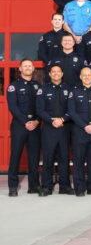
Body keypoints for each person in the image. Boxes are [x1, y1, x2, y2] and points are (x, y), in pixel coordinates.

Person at [36, 64, 72, 196]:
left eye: (58, 71)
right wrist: (52, 120)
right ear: (50, 74)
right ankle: (46, 186)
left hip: (64, 127)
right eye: (53, 72)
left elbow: (72, 109)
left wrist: (62, 119)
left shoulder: (69, 89)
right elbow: (40, 110)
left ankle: (65, 186)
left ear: (62, 74)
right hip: (49, 128)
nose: (56, 73)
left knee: (64, 158)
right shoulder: (43, 89)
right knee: (48, 158)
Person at [7, 59, 41, 197]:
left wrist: (37, 121)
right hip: (19, 126)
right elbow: (13, 107)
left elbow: (42, 106)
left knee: (34, 157)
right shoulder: (13, 86)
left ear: (33, 69)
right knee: (15, 156)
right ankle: (12, 186)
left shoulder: (38, 86)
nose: (27, 68)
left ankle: (34, 186)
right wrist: (26, 122)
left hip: (35, 125)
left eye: (29, 66)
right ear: (20, 69)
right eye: (25, 66)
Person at [68, 67, 91, 196]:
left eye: (89, 75)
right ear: (80, 77)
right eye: (84, 75)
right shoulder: (74, 92)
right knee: (78, 160)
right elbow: (72, 112)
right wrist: (84, 126)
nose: (87, 77)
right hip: (79, 131)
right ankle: (79, 188)